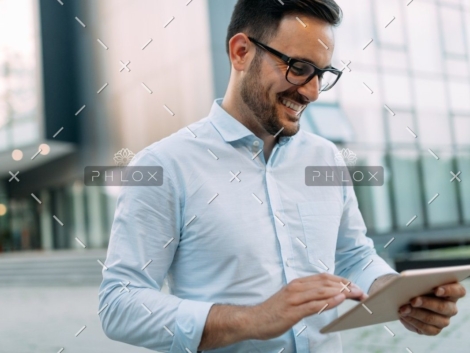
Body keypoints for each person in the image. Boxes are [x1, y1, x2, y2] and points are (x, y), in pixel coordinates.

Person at [98, 0, 466, 352]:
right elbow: (120, 303)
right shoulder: (164, 165)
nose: (312, 91)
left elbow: (351, 254)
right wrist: (254, 320)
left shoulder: (324, 158)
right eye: (299, 67)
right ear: (241, 52)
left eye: (322, 74)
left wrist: (400, 295)